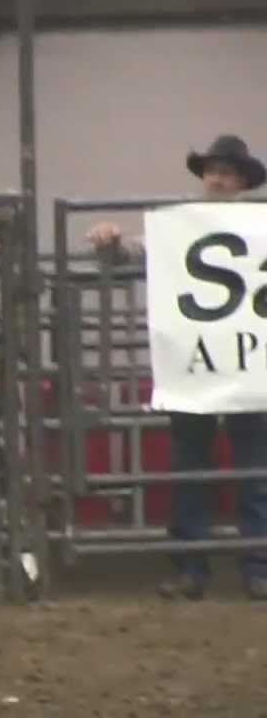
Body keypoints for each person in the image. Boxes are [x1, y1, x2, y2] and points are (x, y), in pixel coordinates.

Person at [84, 134, 267, 602]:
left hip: (241, 363)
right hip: (200, 361)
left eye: (228, 173)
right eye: (213, 171)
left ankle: (250, 567)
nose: (219, 180)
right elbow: (130, 254)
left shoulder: (256, 225)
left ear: (243, 181)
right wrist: (109, 240)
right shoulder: (179, 227)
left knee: (253, 468)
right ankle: (201, 567)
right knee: (196, 467)